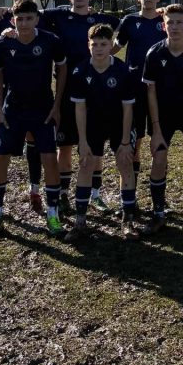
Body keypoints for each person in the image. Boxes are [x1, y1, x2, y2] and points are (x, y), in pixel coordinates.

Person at [0, 0, 66, 241]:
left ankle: (53, 215)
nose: (25, 23)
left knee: (49, 159)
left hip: (43, 110)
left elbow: (62, 70)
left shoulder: (50, 41)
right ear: (13, 20)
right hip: (12, 111)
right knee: (0, 158)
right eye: (20, 19)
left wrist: (57, 106)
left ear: (37, 19)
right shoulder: (3, 43)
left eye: (29, 18)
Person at [42, 0, 120, 213]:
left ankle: (95, 194)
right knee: (65, 146)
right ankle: (63, 194)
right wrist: (2, 10)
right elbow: (27, 13)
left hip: (95, 91)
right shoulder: (58, 16)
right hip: (67, 89)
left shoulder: (100, 20)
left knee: (95, 146)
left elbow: (124, 26)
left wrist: (108, 55)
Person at [65, 24, 139, 242]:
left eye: (103, 44)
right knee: (86, 163)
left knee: (125, 162)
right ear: (88, 45)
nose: (98, 48)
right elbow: (79, 108)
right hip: (93, 124)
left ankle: (127, 220)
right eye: (94, 44)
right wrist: (82, 141)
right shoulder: (80, 71)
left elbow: (128, 109)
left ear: (110, 45)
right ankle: (80, 222)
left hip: (119, 123)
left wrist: (125, 142)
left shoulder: (122, 70)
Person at [142, 4, 183, 237]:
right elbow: (151, 93)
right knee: (158, 159)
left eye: (179, 22)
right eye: (170, 22)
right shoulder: (154, 53)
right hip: (164, 117)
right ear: (163, 26)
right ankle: (158, 214)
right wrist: (156, 129)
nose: (174, 27)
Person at [0, 0, 46, 213]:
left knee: (34, 139)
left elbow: (69, 11)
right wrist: (3, 37)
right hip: (5, 91)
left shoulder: (40, 17)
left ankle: (34, 189)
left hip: (35, 92)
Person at [112, 0, 166, 191]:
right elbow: (115, 47)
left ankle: (157, 194)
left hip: (159, 90)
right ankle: (130, 192)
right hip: (134, 88)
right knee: (135, 141)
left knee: (159, 142)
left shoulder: (165, 20)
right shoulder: (130, 21)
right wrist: (95, 58)